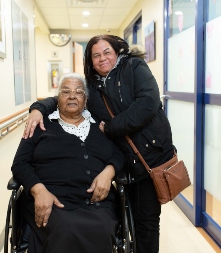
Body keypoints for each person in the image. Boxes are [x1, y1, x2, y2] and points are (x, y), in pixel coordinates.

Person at [24, 35, 175, 253]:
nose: (102, 58)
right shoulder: (92, 88)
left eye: (106, 52)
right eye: (96, 55)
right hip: (125, 160)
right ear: (90, 61)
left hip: (149, 157)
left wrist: (111, 129)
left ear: (117, 52)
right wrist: (38, 108)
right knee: (129, 216)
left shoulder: (134, 67)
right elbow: (67, 95)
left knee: (147, 222)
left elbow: (148, 103)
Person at [12, 73, 124, 253]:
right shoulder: (41, 126)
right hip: (53, 201)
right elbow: (19, 164)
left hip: (96, 203)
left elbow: (119, 153)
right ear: (57, 99)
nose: (72, 96)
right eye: (66, 92)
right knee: (66, 228)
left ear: (85, 100)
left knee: (101, 228)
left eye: (79, 92)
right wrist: (39, 191)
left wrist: (109, 171)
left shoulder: (100, 126)